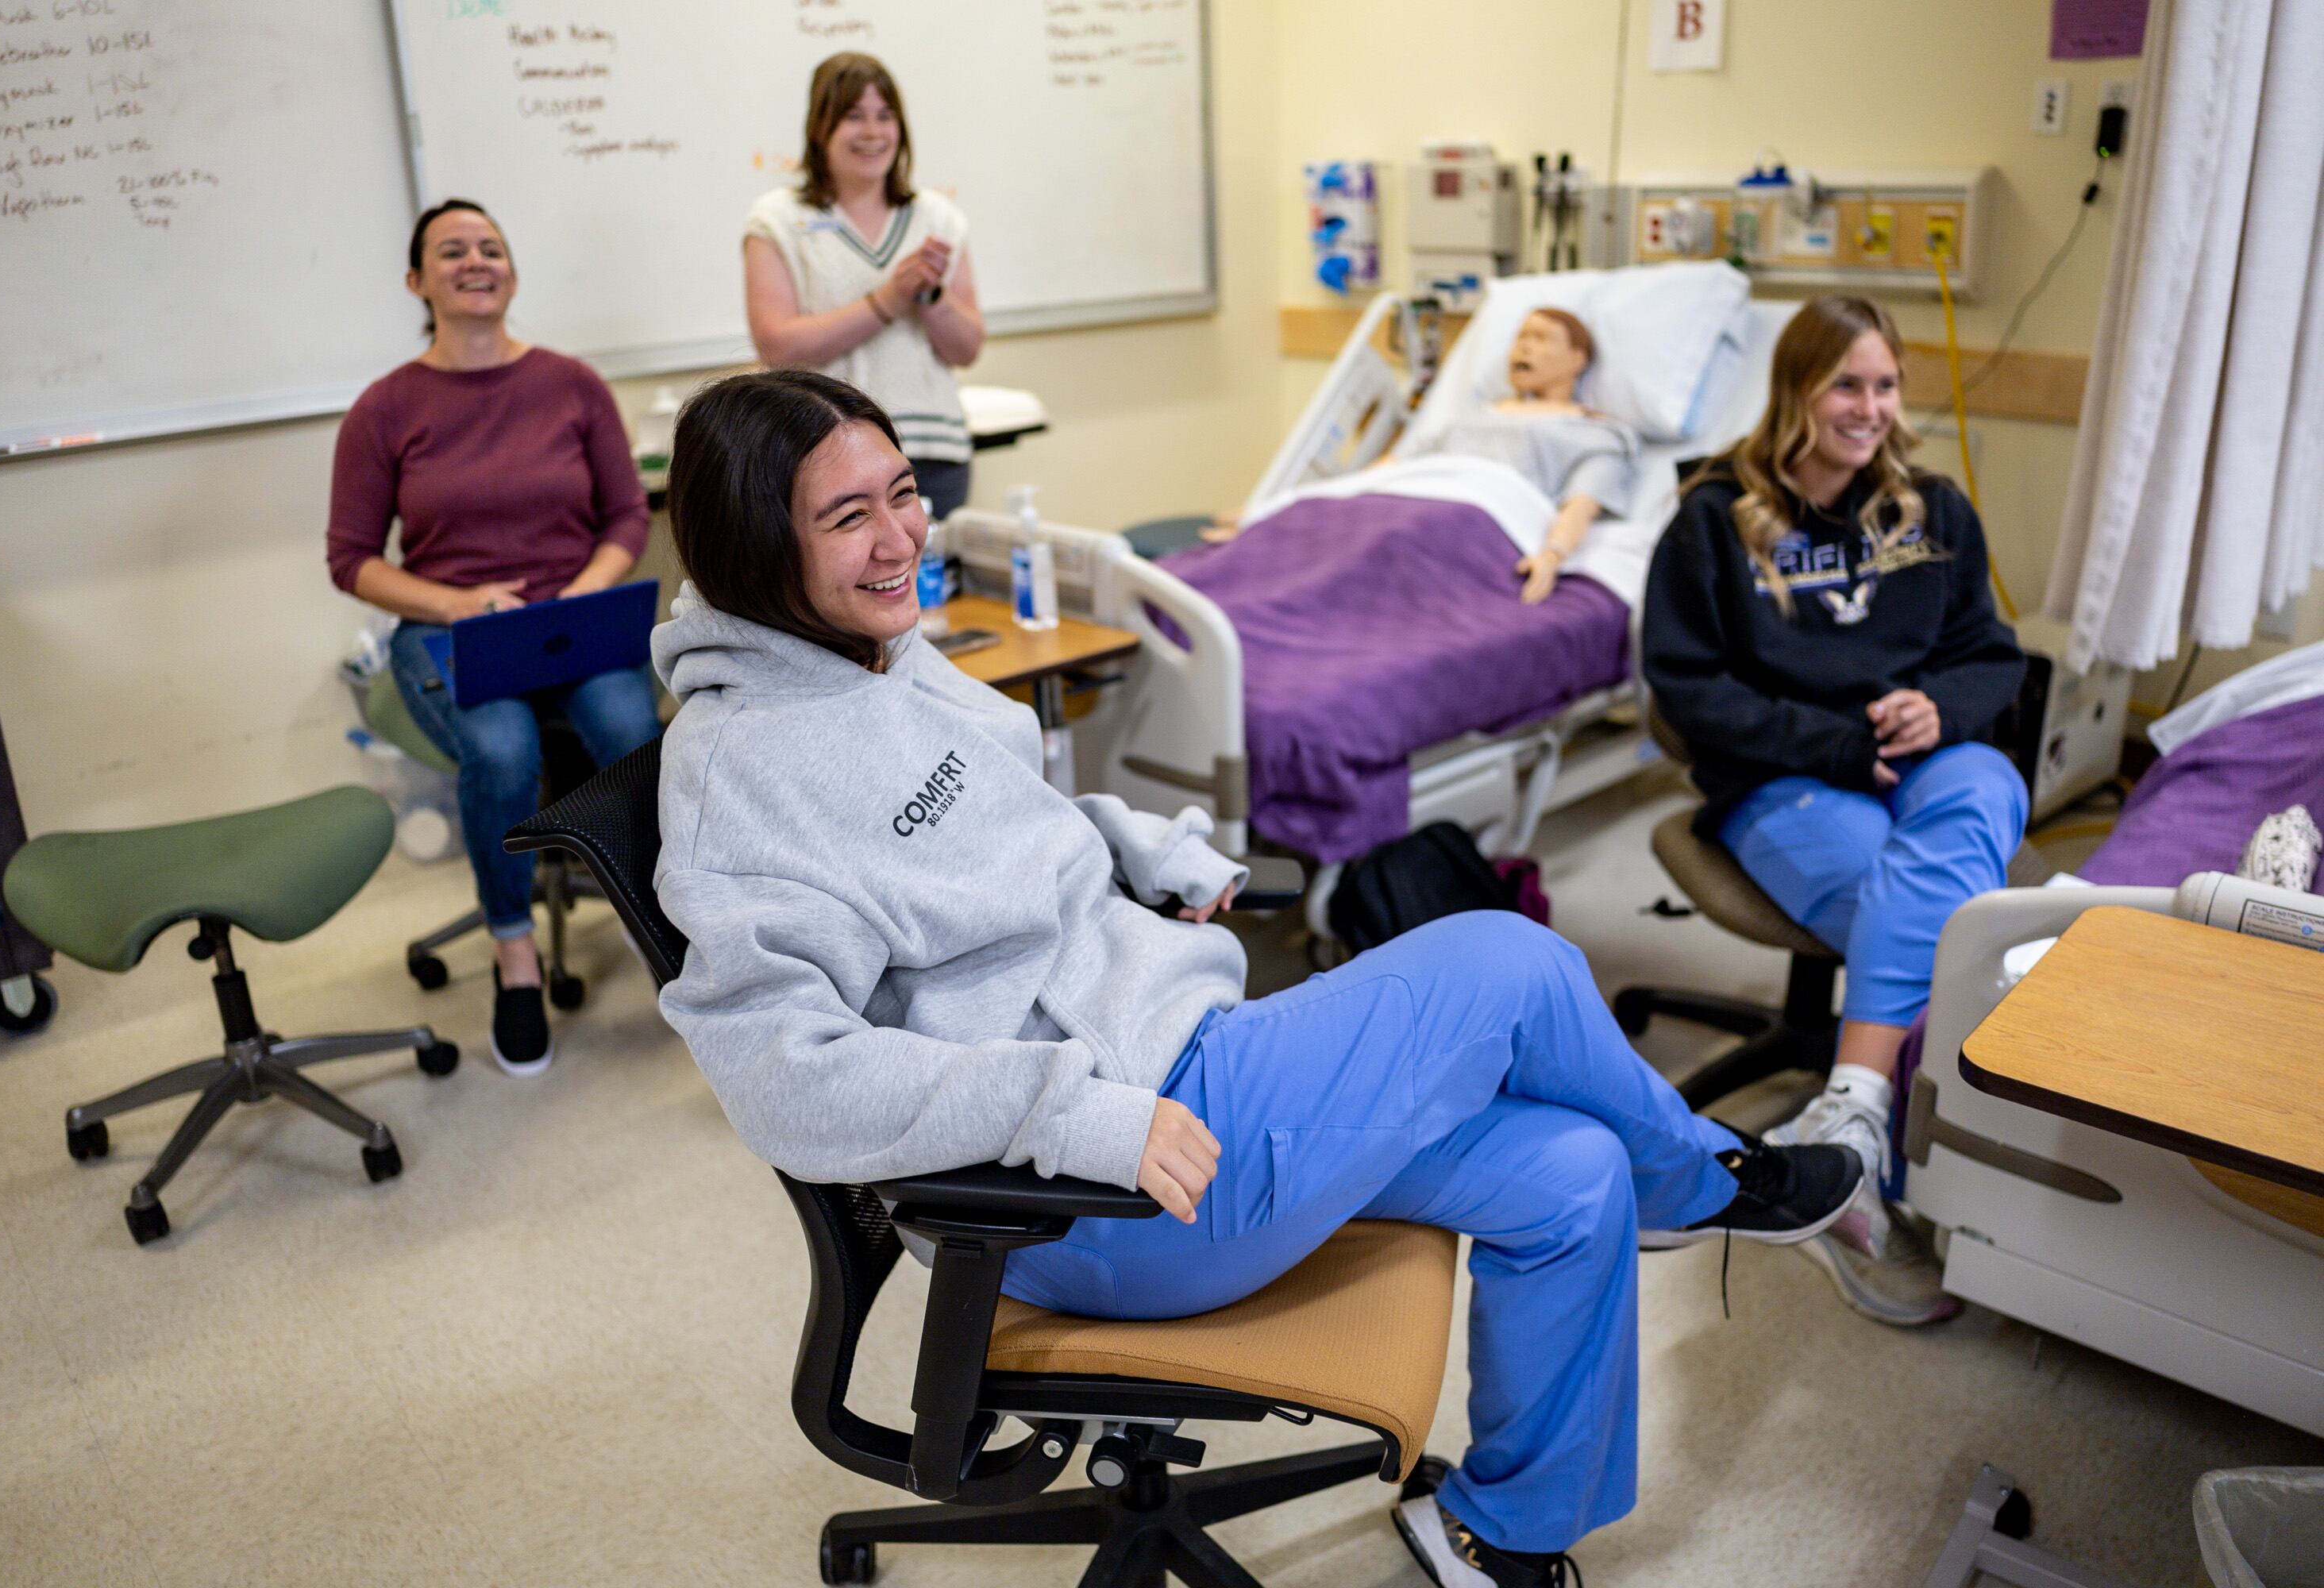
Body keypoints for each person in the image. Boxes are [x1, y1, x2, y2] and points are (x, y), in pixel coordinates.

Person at [649, 368, 1865, 1586]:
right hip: (1100, 1192)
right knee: (1510, 961)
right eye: (847, 516)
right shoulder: (741, 777)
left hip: (1196, 1066)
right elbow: (781, 1079)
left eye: (904, 495)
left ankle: (1503, 1533)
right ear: (761, 546)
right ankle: (1711, 1180)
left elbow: (1016, 817)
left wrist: (1139, 843)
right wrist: (1067, 1114)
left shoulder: (878, 649)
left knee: (1573, 1177)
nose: (902, 537)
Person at [1640, 295, 2028, 1302]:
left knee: (1988, 780)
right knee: (1948, 927)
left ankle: (1845, 1117)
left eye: (1886, 384)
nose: (1869, 407)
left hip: (1920, 757)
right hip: (1784, 774)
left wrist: (1938, 708)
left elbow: (1991, 655)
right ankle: (1908, 1163)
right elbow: (1689, 692)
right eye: (1846, 384)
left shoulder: (1932, 511)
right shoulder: (1712, 520)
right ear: (1798, 392)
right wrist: (1841, 743)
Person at [328, 198, 662, 1077]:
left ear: (511, 272)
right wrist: (456, 601)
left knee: (633, 731)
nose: (476, 261)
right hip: (453, 625)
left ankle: (660, 914)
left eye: (492, 247)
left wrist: (584, 591)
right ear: (417, 281)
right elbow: (352, 558)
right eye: (452, 251)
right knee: (505, 748)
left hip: (571, 617)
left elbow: (627, 513)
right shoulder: (385, 408)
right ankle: (515, 951)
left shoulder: (573, 383)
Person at [743, 52, 985, 522]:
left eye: (885, 116)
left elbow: (967, 348)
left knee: (934, 592)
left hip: (932, 453)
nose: (873, 133)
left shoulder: (937, 218)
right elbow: (777, 346)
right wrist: (887, 300)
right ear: (820, 128)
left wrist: (931, 297)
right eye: (854, 117)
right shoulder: (777, 219)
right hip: (822, 455)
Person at [1409, 307, 1644, 603]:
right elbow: (1398, 467)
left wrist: (1552, 554)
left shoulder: (1596, 434)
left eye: (1542, 338)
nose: (1524, 346)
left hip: (1474, 519)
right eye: (1521, 336)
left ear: (1577, 359)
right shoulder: (1470, 418)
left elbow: (1582, 505)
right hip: (1410, 500)